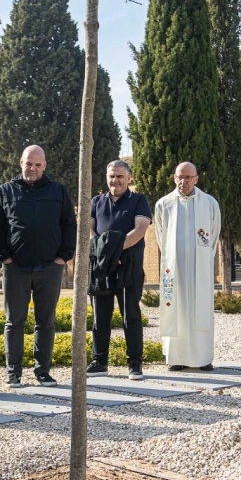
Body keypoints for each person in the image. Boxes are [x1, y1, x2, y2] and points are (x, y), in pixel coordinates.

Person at [0, 145, 77, 388]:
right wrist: (4, 257)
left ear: (45, 166)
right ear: (21, 162)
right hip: (15, 268)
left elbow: (68, 225)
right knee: (14, 321)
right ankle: (14, 372)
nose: (33, 168)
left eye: (38, 165)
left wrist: (63, 257)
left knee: (45, 322)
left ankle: (42, 371)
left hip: (49, 268)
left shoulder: (58, 191)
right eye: (29, 163)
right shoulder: (5, 191)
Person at [87, 160, 152, 380]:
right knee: (100, 317)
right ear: (106, 177)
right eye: (111, 176)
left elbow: (139, 231)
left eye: (120, 177)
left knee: (131, 316)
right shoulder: (96, 201)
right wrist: (106, 254)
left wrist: (112, 251)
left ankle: (135, 364)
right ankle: (99, 362)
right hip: (101, 268)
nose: (115, 180)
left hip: (129, 267)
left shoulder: (139, 200)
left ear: (129, 178)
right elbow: (89, 230)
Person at [154, 162, 221, 371]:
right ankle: (176, 357)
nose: (183, 181)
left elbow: (214, 233)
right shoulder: (164, 204)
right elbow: (160, 236)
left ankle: (203, 358)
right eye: (179, 177)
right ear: (174, 178)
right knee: (175, 309)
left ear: (196, 179)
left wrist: (205, 259)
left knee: (200, 310)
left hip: (200, 267)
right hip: (174, 269)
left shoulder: (209, 203)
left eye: (188, 177)